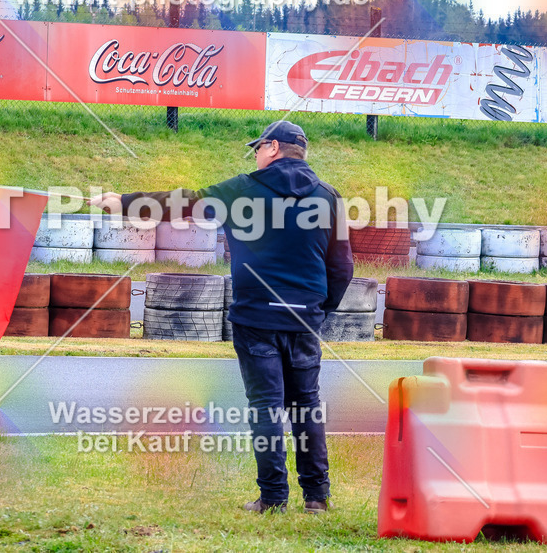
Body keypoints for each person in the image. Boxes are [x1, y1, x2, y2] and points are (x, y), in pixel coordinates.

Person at [91, 120, 353, 514]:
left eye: (257, 149)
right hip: (304, 318)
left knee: (266, 406)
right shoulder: (330, 197)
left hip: (256, 316)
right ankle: (316, 498)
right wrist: (320, 308)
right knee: (306, 405)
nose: (255, 155)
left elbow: (182, 203)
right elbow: (342, 265)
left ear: (272, 148)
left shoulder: (242, 190)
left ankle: (273, 498)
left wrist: (123, 201)